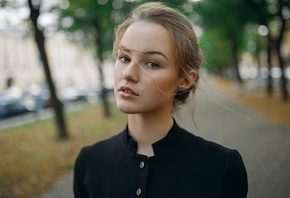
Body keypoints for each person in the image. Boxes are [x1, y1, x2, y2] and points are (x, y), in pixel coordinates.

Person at [73, 2, 248, 198]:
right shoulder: (89, 162)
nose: (129, 74)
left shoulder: (222, 167)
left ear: (185, 80)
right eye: (124, 57)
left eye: (152, 63)